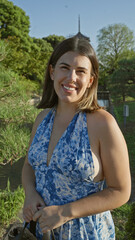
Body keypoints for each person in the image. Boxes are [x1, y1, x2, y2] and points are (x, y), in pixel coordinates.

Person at [22, 36, 131, 240]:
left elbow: (120, 191)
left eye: (81, 71)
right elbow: (29, 165)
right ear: (52, 72)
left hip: (84, 233)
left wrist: (64, 212)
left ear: (90, 80)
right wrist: (30, 192)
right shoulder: (42, 119)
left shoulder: (103, 124)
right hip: (39, 231)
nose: (71, 77)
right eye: (64, 67)